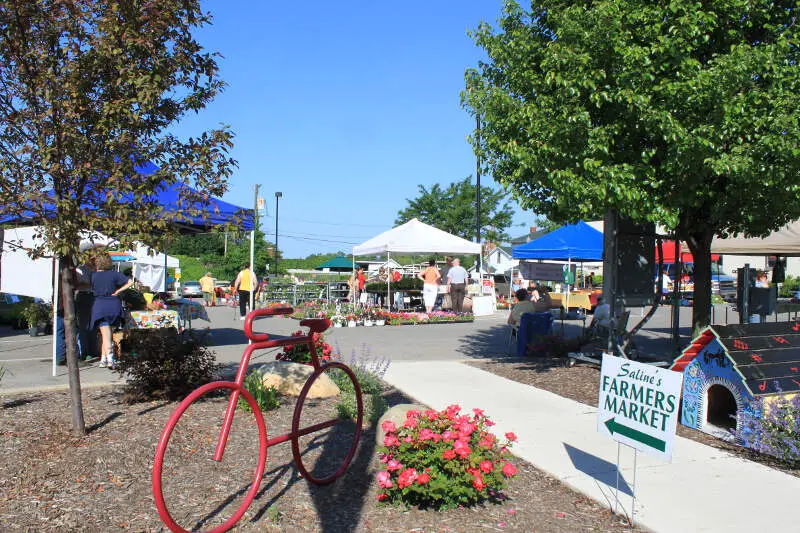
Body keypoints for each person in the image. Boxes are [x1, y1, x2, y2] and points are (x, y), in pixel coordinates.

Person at [90, 253, 133, 369]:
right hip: (114, 306)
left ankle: (110, 359)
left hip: (100, 306)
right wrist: (118, 291)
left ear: (97, 263)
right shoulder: (114, 274)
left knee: (105, 335)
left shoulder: (93, 276)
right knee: (108, 335)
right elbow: (130, 282)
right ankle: (103, 359)